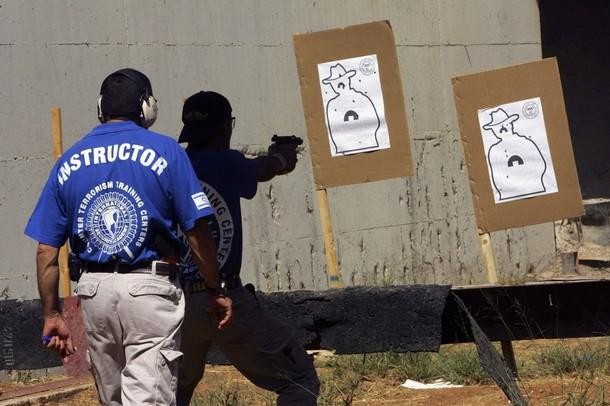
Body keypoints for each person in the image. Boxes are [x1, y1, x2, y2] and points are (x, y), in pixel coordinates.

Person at [24, 69, 232, 405]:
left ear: (100, 108)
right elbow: (196, 230)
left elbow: (46, 249)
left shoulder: (68, 162)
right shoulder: (166, 151)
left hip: (94, 293)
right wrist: (214, 288)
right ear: (147, 107)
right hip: (150, 290)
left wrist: (52, 314)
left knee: (114, 399)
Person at [175, 91, 320, 405]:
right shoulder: (227, 162)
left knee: (174, 390)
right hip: (222, 298)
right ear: (225, 128)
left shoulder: (172, 164)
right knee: (300, 380)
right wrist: (283, 156)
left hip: (177, 303)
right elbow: (265, 168)